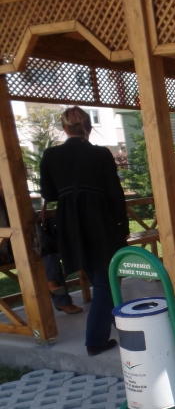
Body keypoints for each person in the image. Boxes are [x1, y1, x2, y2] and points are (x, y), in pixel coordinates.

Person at [39, 106, 129, 357]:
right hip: (100, 222)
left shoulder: (50, 155)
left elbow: (49, 194)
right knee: (104, 280)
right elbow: (115, 193)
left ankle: (119, 326)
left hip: (70, 224)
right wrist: (122, 226)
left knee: (101, 278)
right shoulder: (100, 154)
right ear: (88, 127)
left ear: (64, 128)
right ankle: (95, 340)